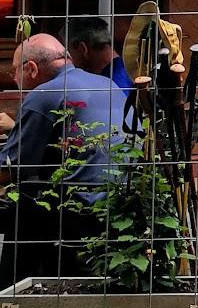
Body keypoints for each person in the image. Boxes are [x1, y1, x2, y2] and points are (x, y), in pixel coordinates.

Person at [0, 34, 125, 282]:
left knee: (20, 206)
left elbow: (10, 167)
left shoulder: (44, 94)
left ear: (31, 68)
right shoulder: (107, 84)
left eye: (14, 71)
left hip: (77, 213)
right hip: (120, 201)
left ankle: (12, 290)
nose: (14, 79)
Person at [59, 17, 134, 90]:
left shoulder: (114, 82)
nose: (66, 59)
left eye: (67, 52)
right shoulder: (126, 70)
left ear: (82, 49)